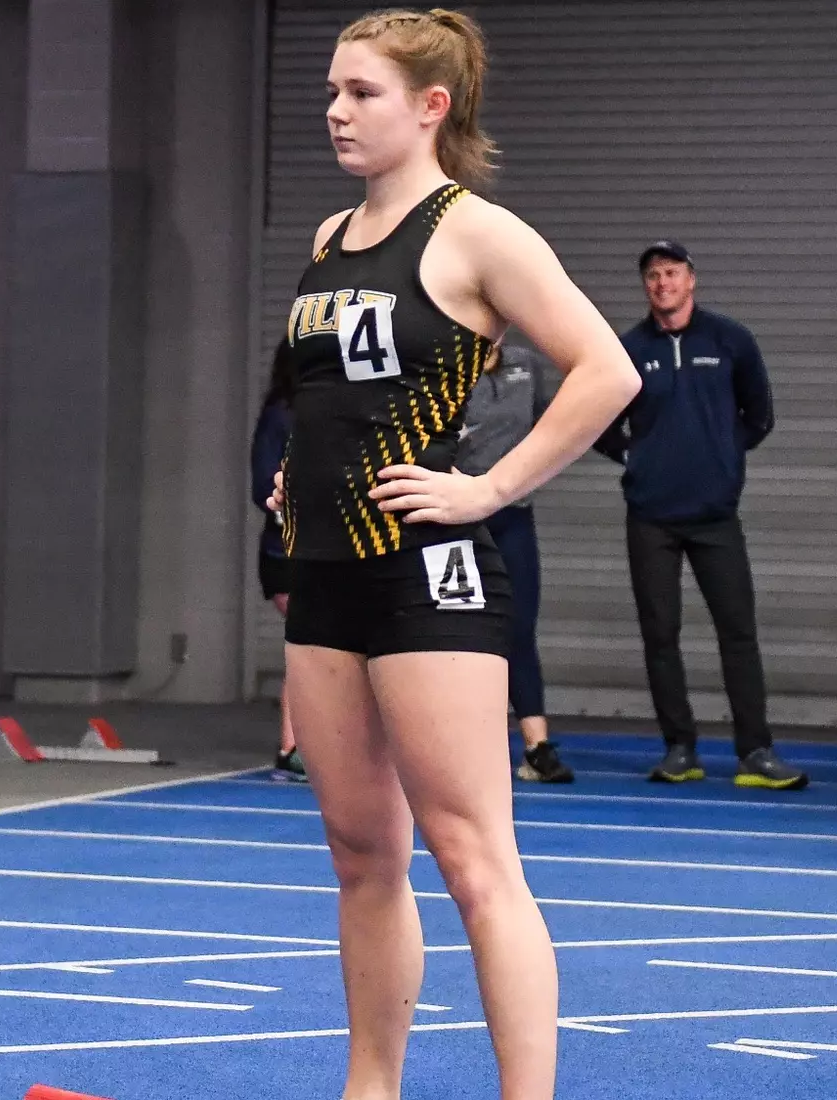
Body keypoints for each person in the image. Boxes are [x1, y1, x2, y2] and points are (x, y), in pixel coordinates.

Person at [267, 9, 638, 1098]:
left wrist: (489, 486)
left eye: (362, 93)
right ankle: (370, 1086)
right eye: (332, 92)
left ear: (432, 106)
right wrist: (296, 474)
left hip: (427, 574)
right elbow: (330, 394)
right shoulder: (330, 238)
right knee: (362, 856)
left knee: (475, 860)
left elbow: (608, 372)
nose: (336, 112)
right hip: (323, 571)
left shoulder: (479, 234)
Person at [596, 239, 808, 791]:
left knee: (738, 632)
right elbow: (595, 420)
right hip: (651, 516)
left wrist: (722, 456)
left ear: (691, 279)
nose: (662, 283)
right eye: (652, 275)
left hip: (715, 515)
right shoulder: (625, 349)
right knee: (660, 634)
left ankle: (755, 751)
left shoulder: (730, 340)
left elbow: (759, 415)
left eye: (671, 272)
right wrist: (638, 458)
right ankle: (679, 749)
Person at [455, 339, 573, 783]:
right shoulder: (443, 364)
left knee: (519, 628)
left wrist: (526, 479)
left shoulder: (526, 365)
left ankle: (537, 748)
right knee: (460, 633)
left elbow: (550, 429)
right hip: (457, 520)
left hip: (514, 516)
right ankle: (460, 745)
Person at [250, 339, 306, 781]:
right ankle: (291, 746)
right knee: (310, 648)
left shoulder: (332, 416)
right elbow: (262, 490)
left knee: (317, 648)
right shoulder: (281, 417)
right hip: (286, 553)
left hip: (323, 553)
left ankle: (300, 745)